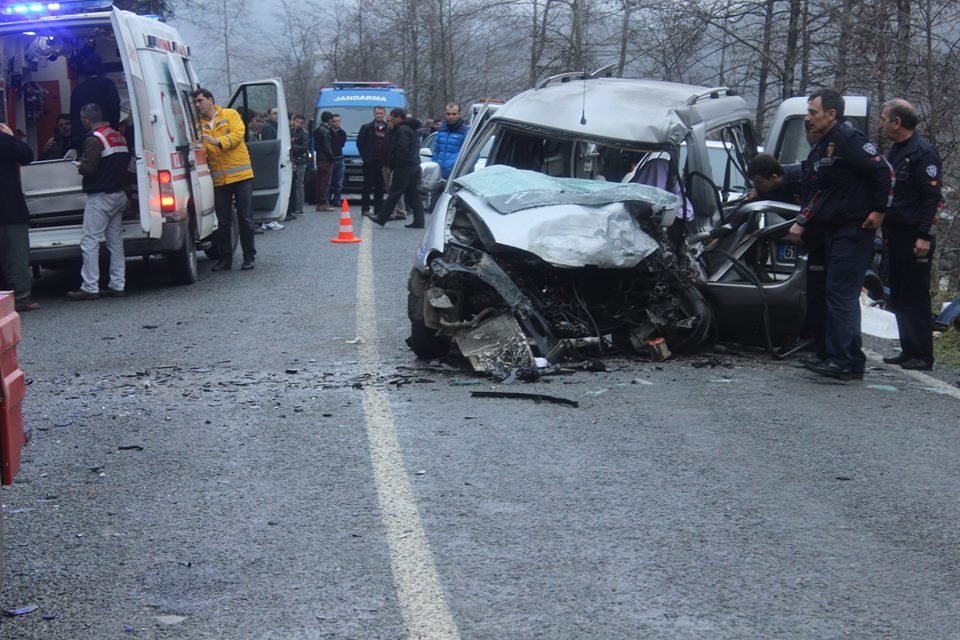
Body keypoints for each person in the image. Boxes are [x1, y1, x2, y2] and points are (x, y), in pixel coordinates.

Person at [787, 89, 893, 380]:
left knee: (841, 295)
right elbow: (822, 189)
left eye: (813, 112)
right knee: (827, 293)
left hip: (853, 229)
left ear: (831, 114)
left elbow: (883, 173)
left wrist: (879, 210)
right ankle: (830, 352)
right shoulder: (824, 145)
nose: (808, 117)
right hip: (831, 229)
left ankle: (847, 361)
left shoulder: (849, 139)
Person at [878, 99, 943, 371]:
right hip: (895, 234)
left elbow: (932, 199)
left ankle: (923, 354)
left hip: (914, 237)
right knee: (901, 294)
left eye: (884, 118)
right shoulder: (895, 151)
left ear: (897, 122)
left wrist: (924, 236)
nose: (881, 123)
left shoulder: (923, 153)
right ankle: (908, 349)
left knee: (916, 296)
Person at [67, 103, 130, 300]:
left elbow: (89, 168)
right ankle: (118, 284)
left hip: (100, 197)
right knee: (115, 242)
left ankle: (90, 287)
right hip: (119, 194)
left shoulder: (94, 140)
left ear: (86, 119)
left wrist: (79, 166)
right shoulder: (117, 135)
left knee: (90, 241)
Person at [193, 87, 257, 271]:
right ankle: (225, 259)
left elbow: (238, 135)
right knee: (223, 221)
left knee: (245, 218)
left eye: (200, 101)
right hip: (220, 179)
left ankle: (249, 256)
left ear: (210, 100)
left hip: (241, 175)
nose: (198, 105)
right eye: (196, 102)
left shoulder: (230, 114)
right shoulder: (200, 125)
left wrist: (218, 141)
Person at [0, 121, 39, 311]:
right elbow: (26, 156)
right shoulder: (3, 141)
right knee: (15, 255)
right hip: (8, 208)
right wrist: (9, 136)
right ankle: (20, 297)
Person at [366, 108, 424, 228]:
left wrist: (395, 163)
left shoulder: (402, 130)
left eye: (392, 118)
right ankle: (419, 220)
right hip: (413, 165)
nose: (390, 121)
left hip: (404, 167)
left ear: (398, 117)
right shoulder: (411, 129)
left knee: (394, 193)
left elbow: (402, 148)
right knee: (413, 194)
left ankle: (381, 218)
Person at [69, 50, 120, 150]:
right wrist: (113, 128)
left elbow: (74, 118)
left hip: (84, 140)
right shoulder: (108, 85)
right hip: (107, 138)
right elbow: (114, 107)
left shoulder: (77, 90)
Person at [357, 106, 388, 215]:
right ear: (374, 114)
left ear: (384, 114)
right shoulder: (367, 128)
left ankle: (378, 208)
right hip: (370, 162)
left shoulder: (387, 128)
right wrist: (365, 157)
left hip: (382, 162)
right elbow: (360, 143)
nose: (379, 115)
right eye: (377, 113)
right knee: (367, 185)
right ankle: (365, 208)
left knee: (380, 186)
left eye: (381, 113)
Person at [434, 103, 469, 179]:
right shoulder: (441, 130)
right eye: (448, 114)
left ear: (459, 114)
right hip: (439, 175)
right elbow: (436, 151)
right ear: (444, 114)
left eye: (454, 114)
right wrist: (434, 166)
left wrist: (462, 169)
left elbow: (472, 154)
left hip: (456, 175)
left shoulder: (466, 131)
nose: (451, 116)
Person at [288, 113, 310, 220]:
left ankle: (299, 207)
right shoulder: (290, 131)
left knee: (299, 184)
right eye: (297, 121)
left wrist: (293, 146)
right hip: (291, 160)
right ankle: (292, 206)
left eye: (301, 123)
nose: (298, 124)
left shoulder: (304, 133)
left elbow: (305, 147)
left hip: (300, 160)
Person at [313, 111, 336, 211]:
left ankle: (319, 201)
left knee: (320, 180)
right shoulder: (325, 131)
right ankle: (323, 202)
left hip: (319, 158)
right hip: (325, 159)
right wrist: (332, 157)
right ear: (330, 120)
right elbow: (327, 146)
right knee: (324, 181)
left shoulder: (318, 130)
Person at [328, 113, 347, 207]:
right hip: (330, 160)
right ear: (331, 121)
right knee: (329, 182)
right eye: (335, 121)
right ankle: (327, 199)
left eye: (338, 121)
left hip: (340, 159)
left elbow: (342, 144)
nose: (336, 123)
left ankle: (337, 200)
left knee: (339, 183)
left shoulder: (343, 133)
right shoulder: (328, 132)